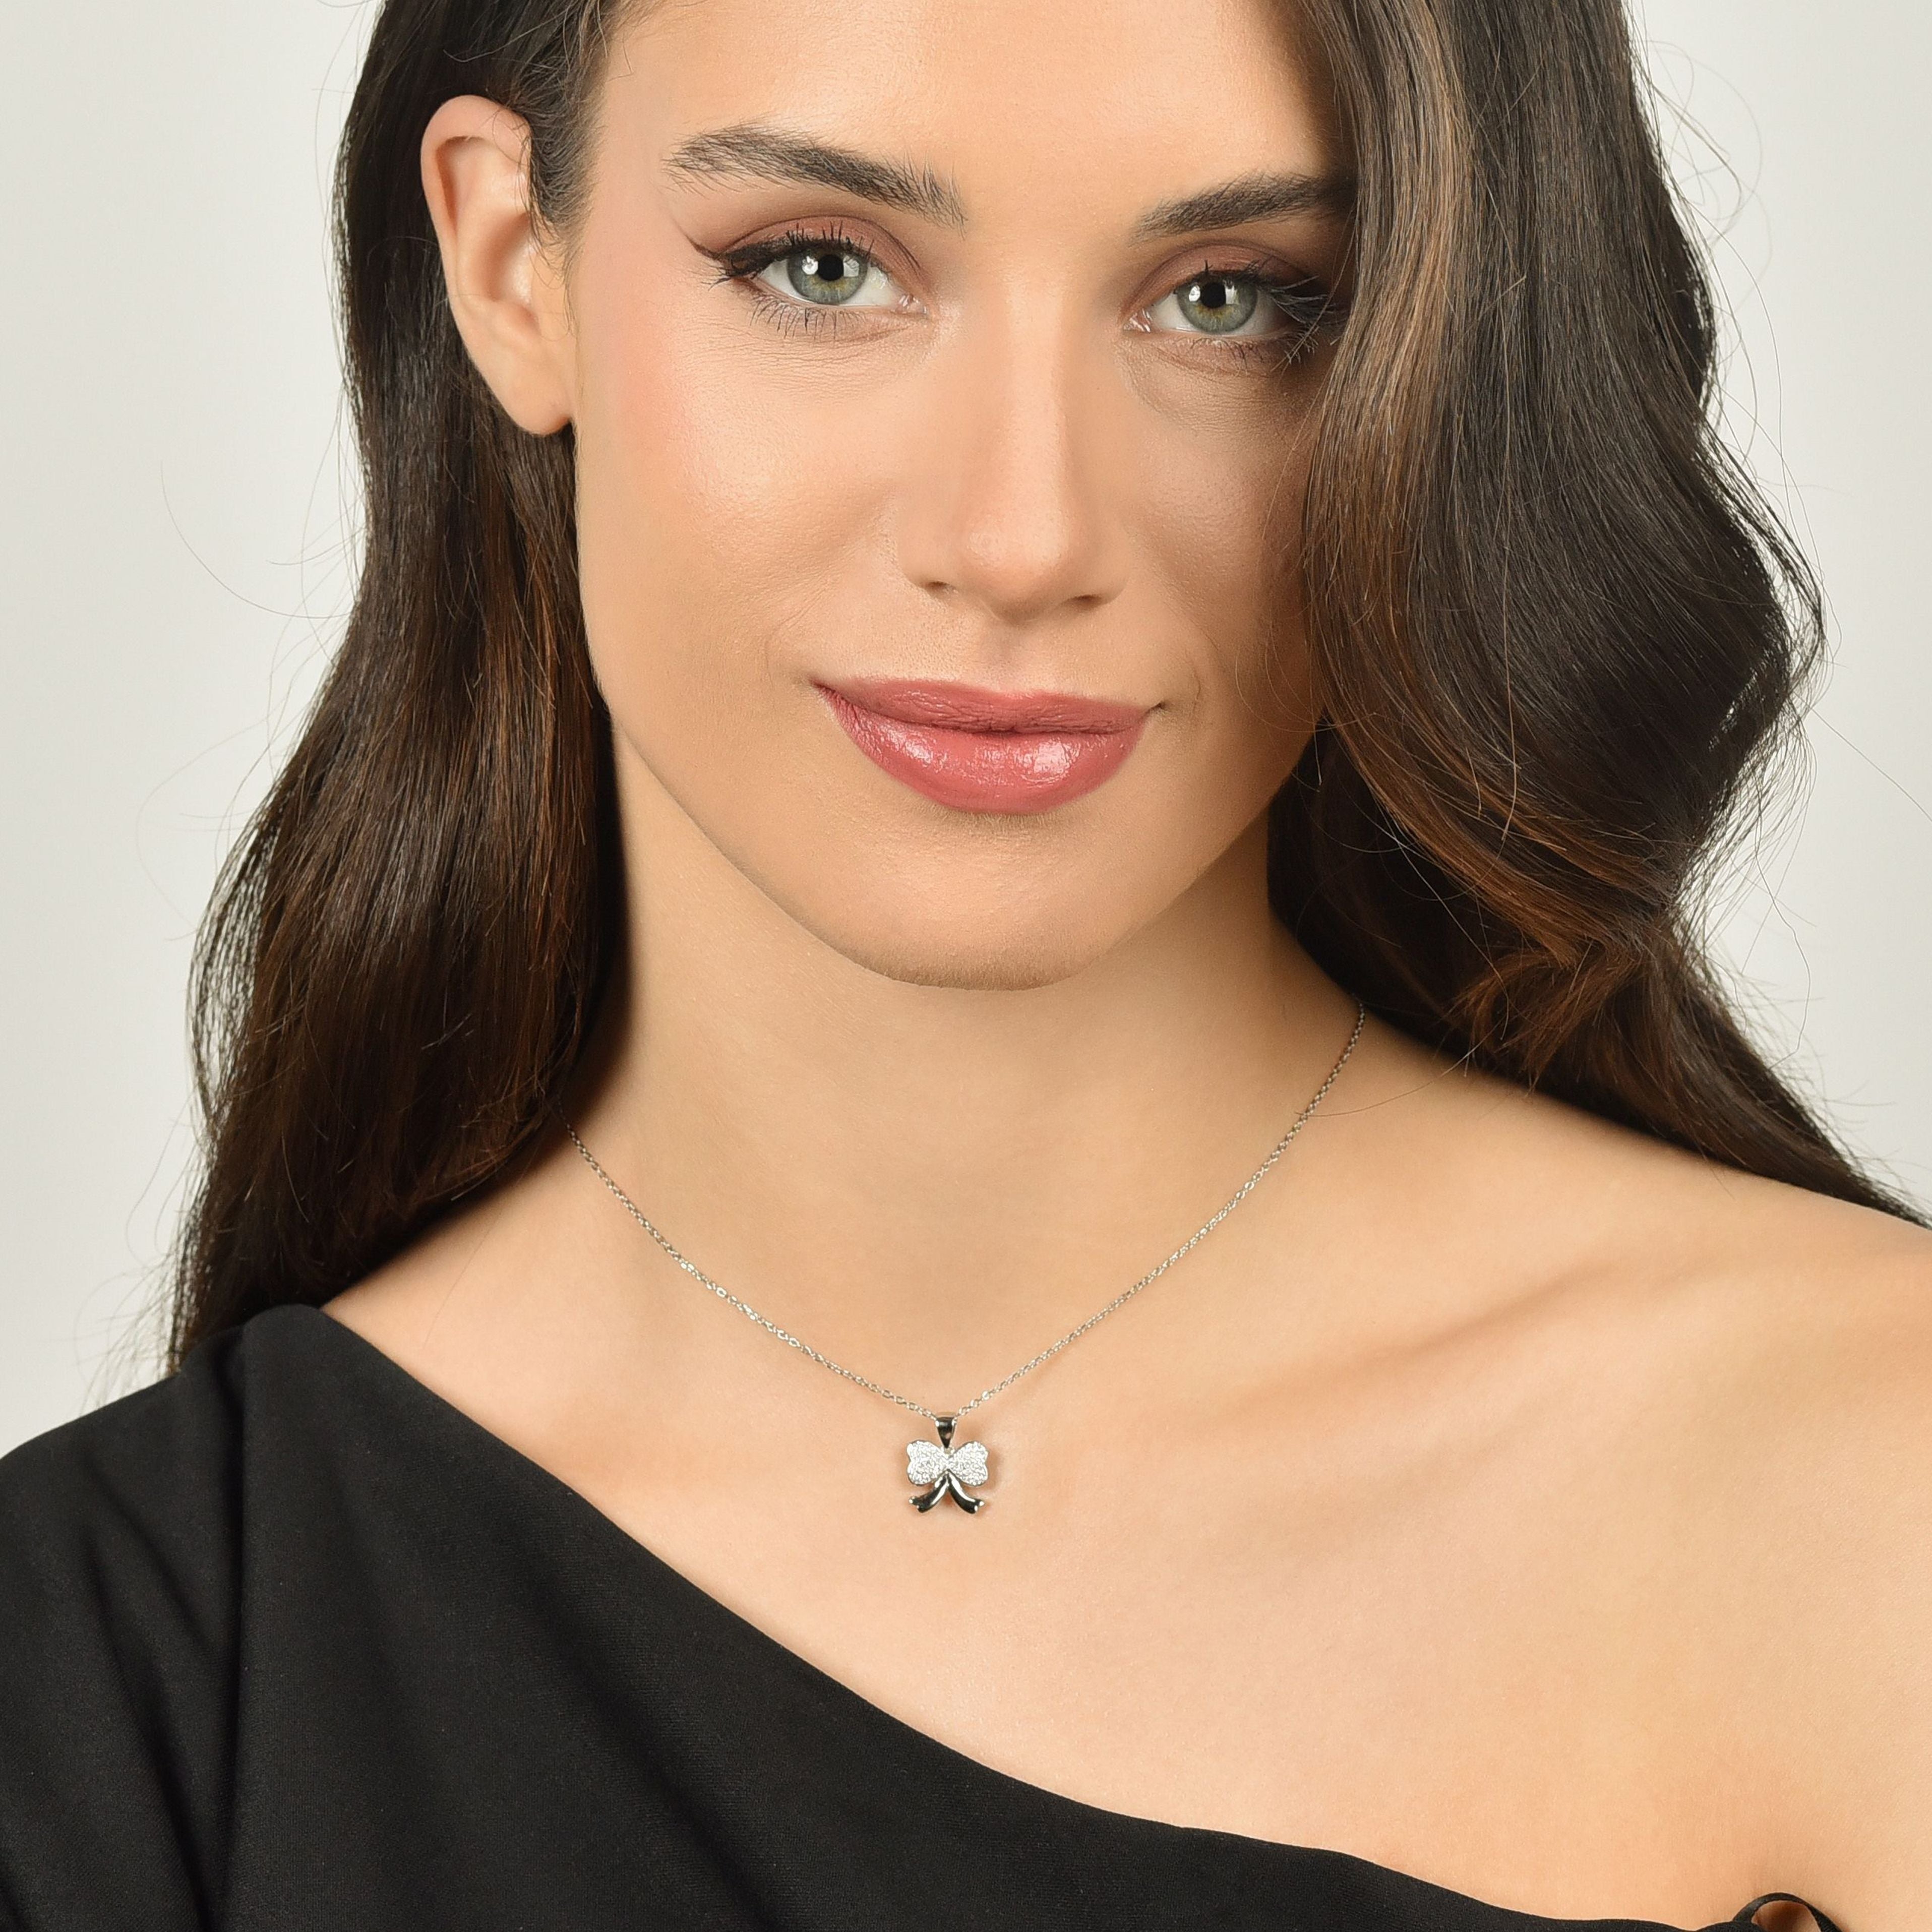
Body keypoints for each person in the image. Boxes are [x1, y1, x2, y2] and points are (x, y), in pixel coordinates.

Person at [1, 0, 1925, 1925]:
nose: (1021, 537)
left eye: (1234, 301)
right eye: (821, 269)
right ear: (513, 263)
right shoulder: (121, 1674)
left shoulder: (1870, 1475)